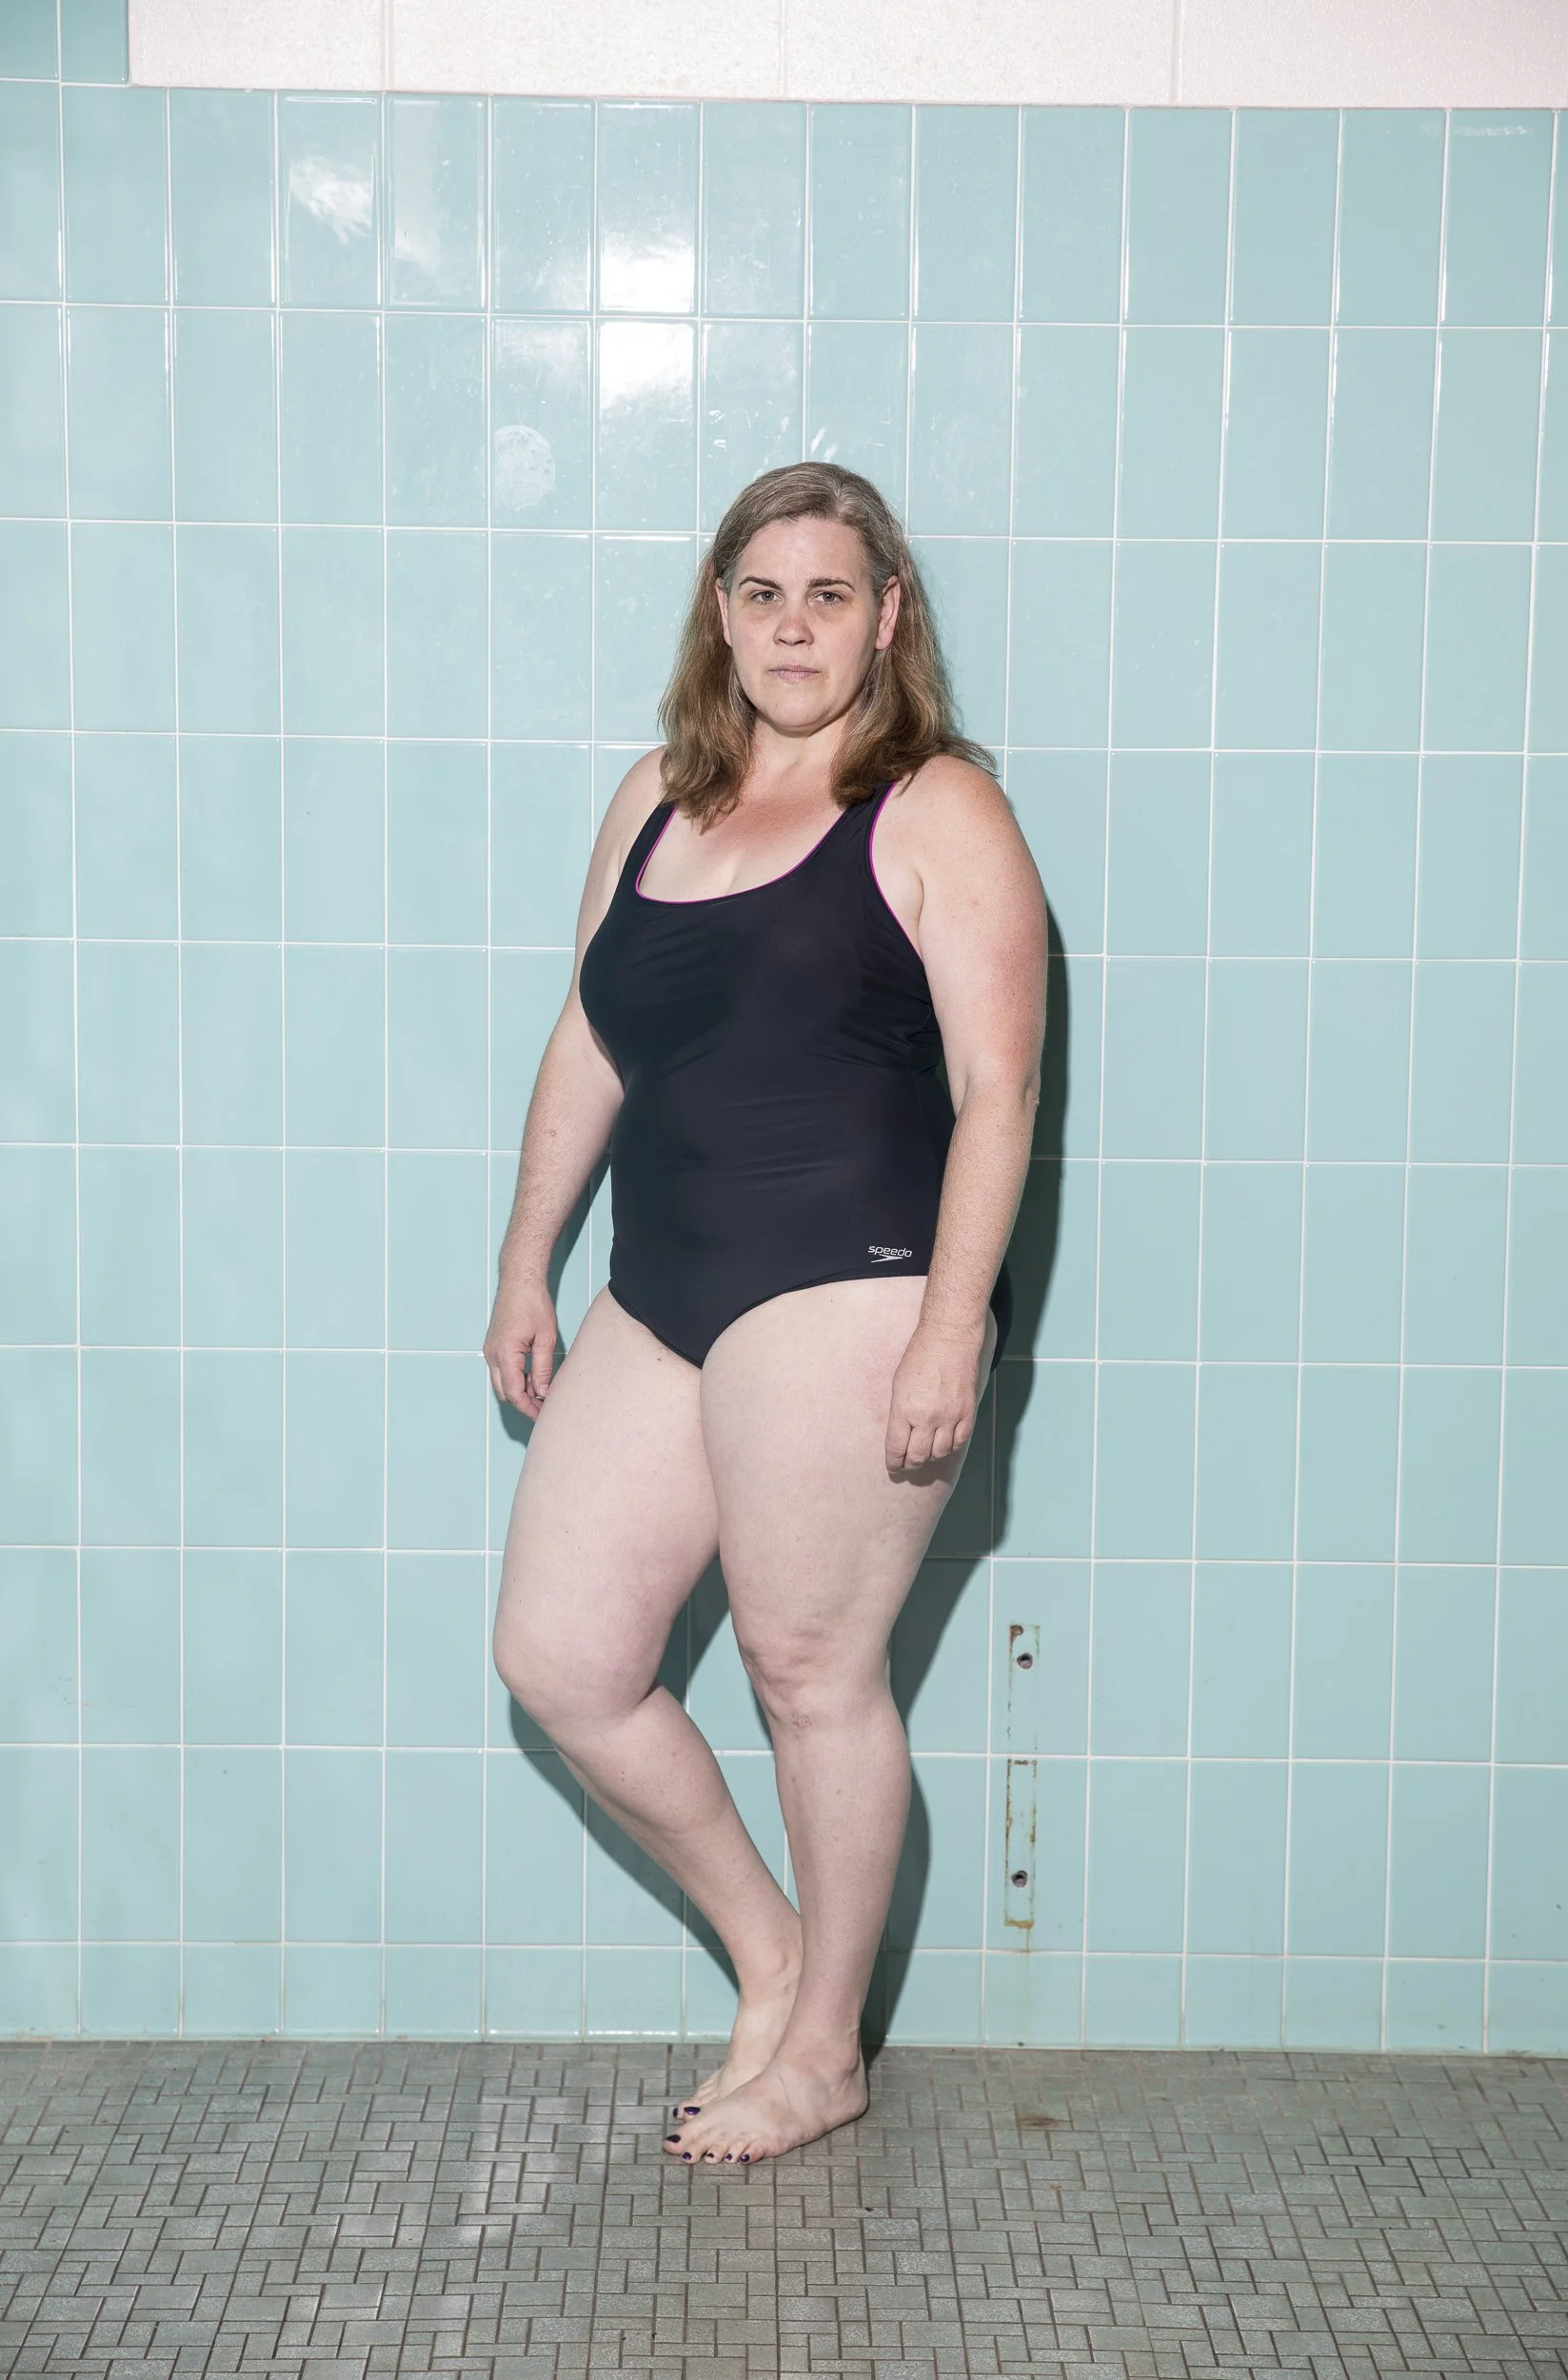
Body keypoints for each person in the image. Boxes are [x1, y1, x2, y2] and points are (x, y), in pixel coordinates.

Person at [484, 461, 1047, 2166]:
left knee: (810, 1672)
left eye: (827, 594)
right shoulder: (657, 796)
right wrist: (526, 1257)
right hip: (662, 1283)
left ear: (888, 617)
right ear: (717, 615)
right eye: (759, 593)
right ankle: (774, 1953)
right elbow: (590, 1037)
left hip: (855, 1280)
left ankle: (823, 2055)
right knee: (563, 1659)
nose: (791, 626)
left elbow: (1001, 1089)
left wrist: (953, 1324)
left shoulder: (935, 805)